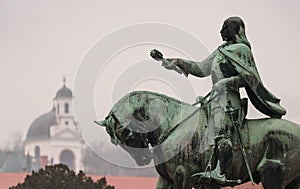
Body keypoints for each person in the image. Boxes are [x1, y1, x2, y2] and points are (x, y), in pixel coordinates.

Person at [150, 16, 286, 184]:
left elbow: (251, 79)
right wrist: (174, 61)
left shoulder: (242, 50)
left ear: (235, 30)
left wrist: (225, 82)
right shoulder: (221, 50)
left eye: (225, 28)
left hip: (230, 102)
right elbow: (200, 68)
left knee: (222, 134)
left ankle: (220, 171)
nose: (221, 31)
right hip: (214, 100)